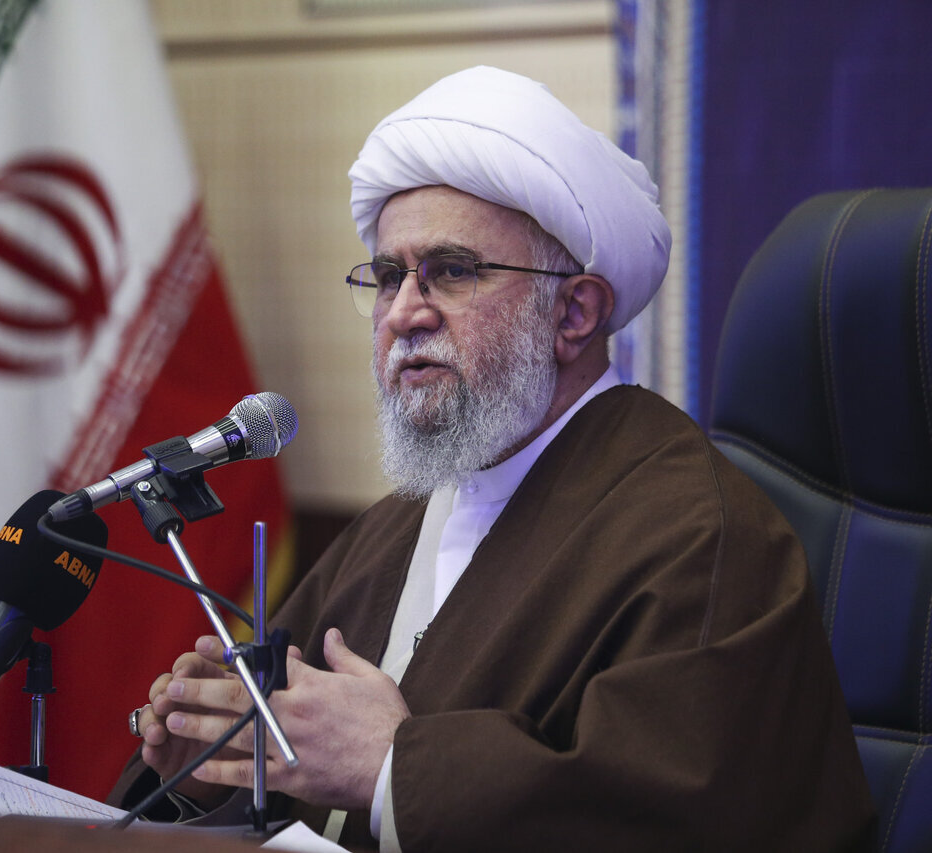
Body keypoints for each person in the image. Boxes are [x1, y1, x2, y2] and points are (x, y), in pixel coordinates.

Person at [109, 66, 875, 851]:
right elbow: (286, 766)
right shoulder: (392, 526)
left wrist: (393, 769)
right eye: (388, 276)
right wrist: (210, 770)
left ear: (574, 312)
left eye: (451, 270)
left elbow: (673, 821)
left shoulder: (699, 537)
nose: (404, 313)